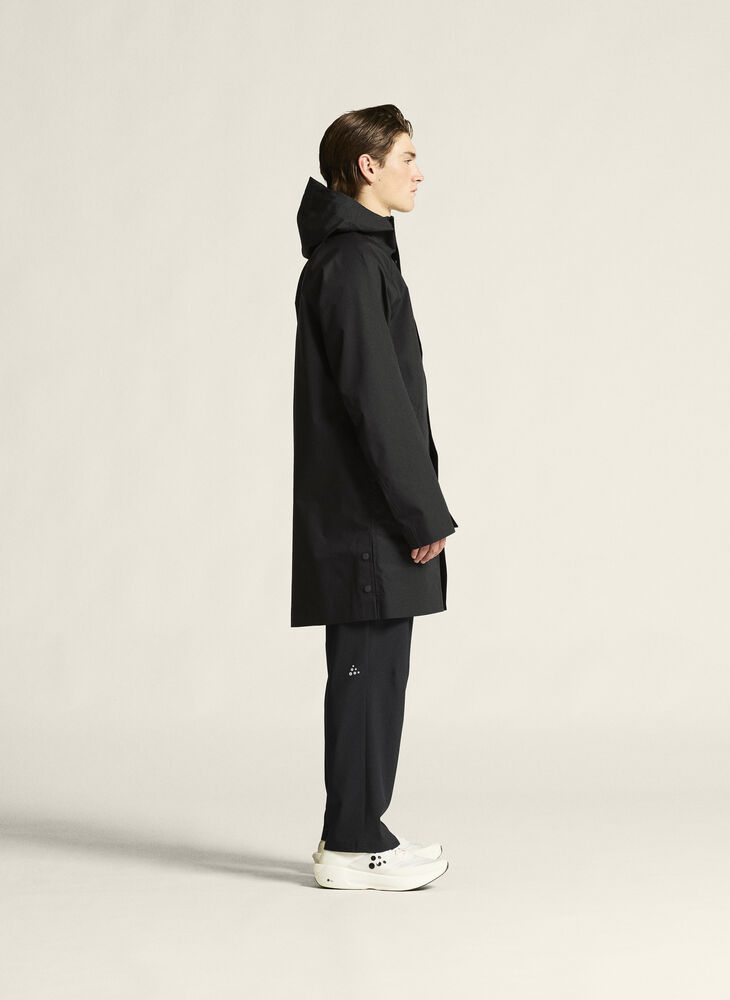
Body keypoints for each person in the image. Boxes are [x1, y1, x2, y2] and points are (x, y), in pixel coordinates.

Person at [291, 105, 459, 891]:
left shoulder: (360, 257)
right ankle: (355, 845)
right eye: (408, 157)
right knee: (367, 676)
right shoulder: (353, 263)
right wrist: (421, 512)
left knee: (377, 675)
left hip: (369, 514)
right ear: (368, 166)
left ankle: (356, 833)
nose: (419, 172)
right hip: (368, 520)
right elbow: (376, 399)